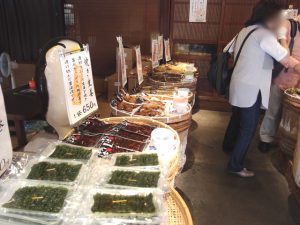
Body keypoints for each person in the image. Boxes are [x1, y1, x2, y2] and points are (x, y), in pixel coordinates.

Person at [222, 0, 300, 178]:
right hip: (251, 87)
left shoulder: (245, 30)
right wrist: (282, 38)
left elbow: (231, 49)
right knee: (248, 128)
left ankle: (227, 147)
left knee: (236, 118)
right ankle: (235, 165)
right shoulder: (264, 34)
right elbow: (285, 59)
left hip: (239, 82)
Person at [259, 15, 300, 152]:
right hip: (282, 77)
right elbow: (281, 51)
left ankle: (287, 142)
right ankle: (266, 138)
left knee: (291, 114)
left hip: (297, 82)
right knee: (274, 110)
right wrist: (296, 66)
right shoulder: (288, 25)